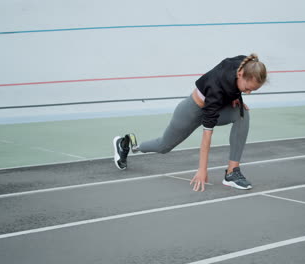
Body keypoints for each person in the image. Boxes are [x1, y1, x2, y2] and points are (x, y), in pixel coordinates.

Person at [113, 53, 267, 192]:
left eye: (252, 91)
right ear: (240, 74)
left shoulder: (246, 64)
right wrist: (202, 170)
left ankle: (232, 172)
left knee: (242, 114)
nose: (248, 92)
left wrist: (237, 97)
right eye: (247, 89)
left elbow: (233, 82)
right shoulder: (216, 90)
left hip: (218, 107)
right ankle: (128, 146)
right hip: (191, 112)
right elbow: (207, 136)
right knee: (163, 146)